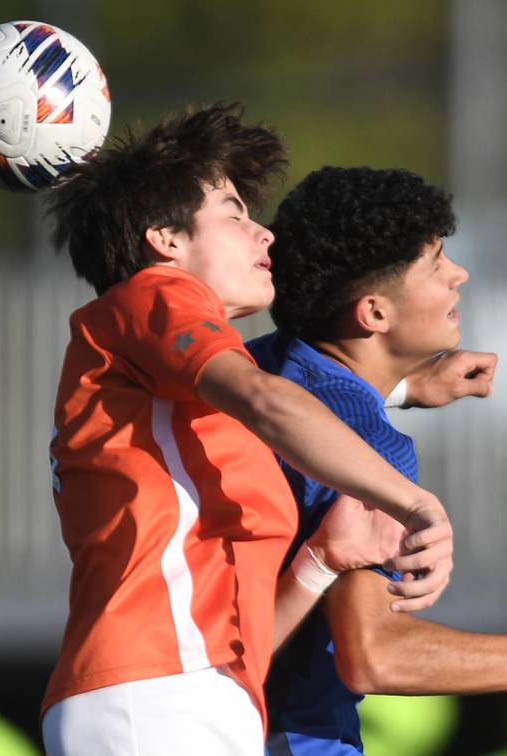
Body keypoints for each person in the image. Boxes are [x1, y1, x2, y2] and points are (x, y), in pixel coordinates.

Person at [40, 105, 456, 756]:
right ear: (166, 241)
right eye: (234, 212)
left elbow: (241, 640)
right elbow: (270, 399)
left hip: (198, 699)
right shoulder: (156, 294)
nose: (264, 235)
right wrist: (417, 502)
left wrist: (321, 560)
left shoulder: (185, 392)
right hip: (151, 699)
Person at [247, 166, 507, 755]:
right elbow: (374, 654)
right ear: (373, 314)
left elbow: (313, 400)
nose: (459, 275)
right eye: (436, 263)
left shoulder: (256, 368)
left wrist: (398, 385)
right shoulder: (365, 450)